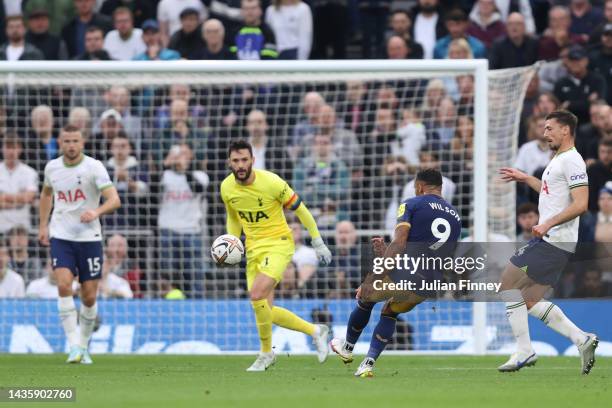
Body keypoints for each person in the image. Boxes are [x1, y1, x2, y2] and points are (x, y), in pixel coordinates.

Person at [330, 168, 462, 377]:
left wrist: (376, 275)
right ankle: (367, 364)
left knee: (366, 297)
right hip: (430, 282)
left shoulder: (411, 204)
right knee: (390, 311)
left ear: (418, 186)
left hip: (409, 272)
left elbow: (400, 242)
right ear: (440, 187)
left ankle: (347, 348)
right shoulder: (455, 216)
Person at [497, 110, 598, 374]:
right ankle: (581, 339)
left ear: (565, 130)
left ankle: (524, 350)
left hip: (554, 238)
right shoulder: (559, 159)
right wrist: (525, 178)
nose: (545, 134)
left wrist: (546, 224)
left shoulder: (573, 161)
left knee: (507, 283)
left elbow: (581, 204)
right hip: (554, 239)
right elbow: (551, 194)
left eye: (550, 128)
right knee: (528, 300)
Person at [220, 140, 332, 371]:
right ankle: (315, 331)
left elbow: (300, 208)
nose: (240, 165)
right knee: (264, 310)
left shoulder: (272, 182)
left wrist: (317, 241)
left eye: (244, 160)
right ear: (229, 163)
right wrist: (232, 241)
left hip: (279, 244)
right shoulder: (226, 187)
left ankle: (265, 354)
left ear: (253, 160)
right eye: (235, 161)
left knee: (257, 293)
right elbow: (234, 216)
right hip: (253, 249)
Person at [38, 124, 121, 365]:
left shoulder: (94, 167)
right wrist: (43, 225)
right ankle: (74, 346)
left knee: (88, 297)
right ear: (60, 143)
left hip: (89, 239)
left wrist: (96, 211)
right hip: (61, 236)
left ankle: (83, 346)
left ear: (82, 142)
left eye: (75, 141)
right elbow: (46, 194)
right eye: (66, 141)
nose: (71, 146)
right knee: (63, 285)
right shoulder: (52, 167)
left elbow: (114, 200)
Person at [157, 143, 208, 297]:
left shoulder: (200, 175)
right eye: (178, 154)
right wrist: (164, 165)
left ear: (191, 157)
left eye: (185, 154)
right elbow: (151, 190)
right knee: (168, 273)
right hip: (167, 229)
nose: (181, 157)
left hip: (191, 230)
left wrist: (184, 170)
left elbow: (197, 189)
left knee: (194, 275)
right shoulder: (164, 176)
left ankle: (197, 304)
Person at [553, 45, 607, 124]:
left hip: (593, 123)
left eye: (578, 59)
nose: (575, 63)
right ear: (567, 62)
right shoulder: (561, 83)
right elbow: (558, 109)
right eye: (572, 60)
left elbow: (599, 104)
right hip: (568, 125)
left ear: (586, 61)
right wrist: (587, 102)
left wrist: (570, 104)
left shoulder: (597, 80)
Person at [0, 136, 39, 235]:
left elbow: (28, 198)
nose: (11, 152)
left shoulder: (30, 172)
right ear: (2, 148)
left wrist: (3, 196)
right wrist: (19, 199)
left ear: (20, 149)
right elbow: (24, 199)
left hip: (22, 228)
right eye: (8, 147)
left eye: (14, 147)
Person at [246, 109, 292, 181]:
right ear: (247, 126)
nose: (256, 126)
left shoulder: (278, 149)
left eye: (259, 122)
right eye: (252, 122)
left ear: (266, 125)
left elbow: (287, 176)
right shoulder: (240, 149)